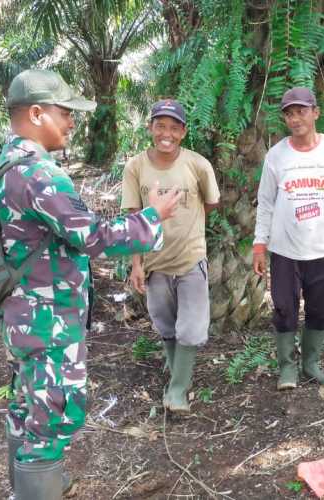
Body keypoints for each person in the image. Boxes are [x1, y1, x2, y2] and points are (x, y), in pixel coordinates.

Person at [0, 69, 182, 500]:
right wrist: (152, 216)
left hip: (23, 315)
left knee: (27, 408)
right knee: (53, 417)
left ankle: (32, 488)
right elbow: (93, 237)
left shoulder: (5, 163)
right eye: (65, 112)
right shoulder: (37, 174)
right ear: (36, 114)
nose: (72, 122)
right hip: (48, 321)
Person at [252, 87, 324, 391]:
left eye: (301, 111)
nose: (295, 118)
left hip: (323, 250)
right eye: (289, 113)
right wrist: (259, 245)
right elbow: (266, 203)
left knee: (319, 309)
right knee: (284, 309)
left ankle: (311, 365)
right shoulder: (276, 155)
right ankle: (287, 368)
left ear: (315, 113)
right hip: (285, 251)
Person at [121, 99, 220, 413]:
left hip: (191, 258)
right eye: (160, 126)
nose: (167, 133)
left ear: (183, 132)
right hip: (155, 263)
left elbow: (211, 203)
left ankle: (178, 389)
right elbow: (134, 219)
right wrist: (137, 264)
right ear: (150, 128)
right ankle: (177, 368)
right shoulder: (136, 167)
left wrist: (189, 225)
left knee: (190, 327)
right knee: (165, 324)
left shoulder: (198, 165)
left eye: (174, 128)